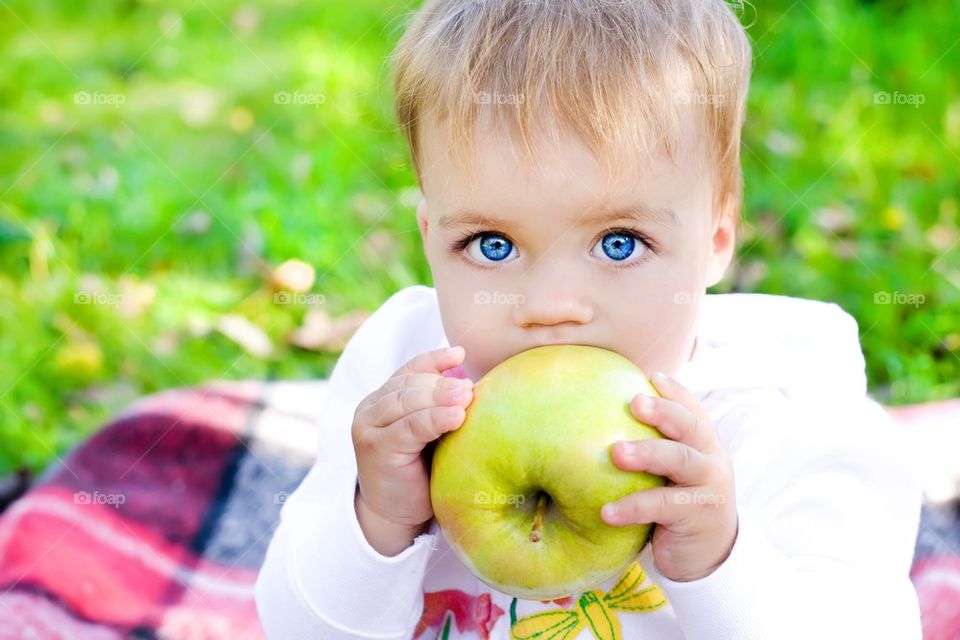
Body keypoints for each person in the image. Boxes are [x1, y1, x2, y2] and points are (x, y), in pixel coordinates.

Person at [255, 1, 923, 637]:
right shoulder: (401, 389)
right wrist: (376, 521)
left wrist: (721, 560)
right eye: (493, 244)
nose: (550, 307)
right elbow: (294, 629)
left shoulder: (786, 418)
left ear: (717, 236)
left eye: (619, 243)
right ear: (431, 236)